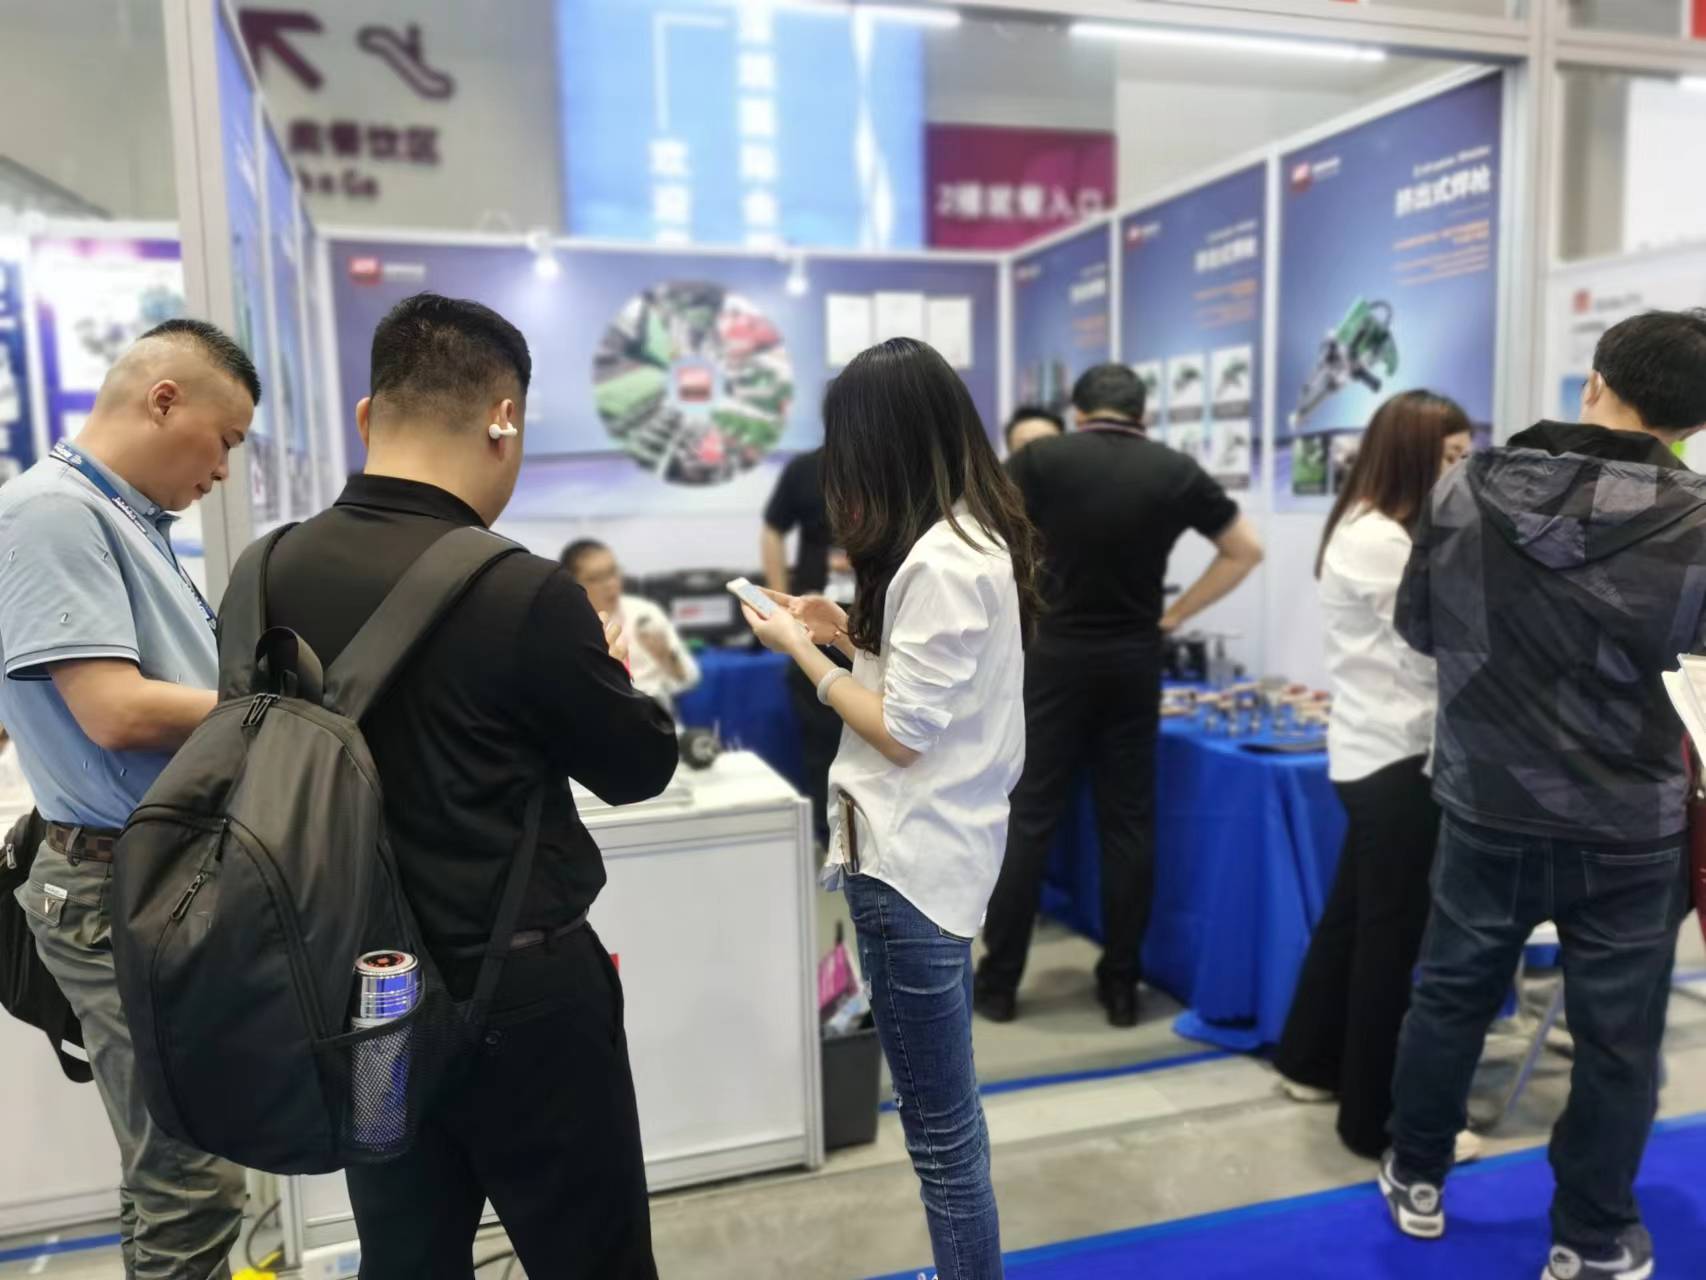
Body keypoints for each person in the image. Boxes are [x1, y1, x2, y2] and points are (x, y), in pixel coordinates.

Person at [259, 294, 678, 1279]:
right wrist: (611, 676)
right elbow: (637, 767)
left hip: (364, 998)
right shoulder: (525, 591)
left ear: (369, 415)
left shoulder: (264, 571)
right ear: (504, 417)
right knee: (593, 1257)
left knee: (405, 1254)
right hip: (525, 997)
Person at [1380, 309, 1706, 1280]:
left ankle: (1417, 1169)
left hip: (1486, 794)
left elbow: (1418, 627)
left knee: (1450, 994)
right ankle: (1591, 1235)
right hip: (1630, 819)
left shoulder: (1464, 485)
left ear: (1594, 381)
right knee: (1617, 1036)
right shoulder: (1698, 521)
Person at [744, 337, 1037, 1279]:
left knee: (940, 1134)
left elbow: (903, 732)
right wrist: (843, 629)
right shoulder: (962, 539)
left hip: (910, 863)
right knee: (948, 1119)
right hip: (935, 854)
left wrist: (803, 654)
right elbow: (924, 689)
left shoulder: (943, 559)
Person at [0, 319, 256, 1277]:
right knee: (189, 1176)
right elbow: (112, 711)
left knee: (177, 1166)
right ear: (163, 400)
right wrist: (274, 711)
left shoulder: (120, 520)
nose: (222, 470)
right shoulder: (53, 513)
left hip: (148, 878)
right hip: (117, 888)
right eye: (223, 441)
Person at [976, 363, 1264, 1027]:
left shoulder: (1040, 459)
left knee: (1030, 819)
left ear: (1079, 412)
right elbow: (1244, 550)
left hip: (1052, 658)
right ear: (1142, 414)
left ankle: (999, 983)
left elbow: (977, 535)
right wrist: (1175, 614)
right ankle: (1122, 985)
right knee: (1127, 824)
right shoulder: (1173, 469)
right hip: (1134, 657)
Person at [1272, 391, 1475, 1163]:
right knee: (1391, 939)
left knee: (1354, 920)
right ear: (1413, 454)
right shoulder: (1382, 541)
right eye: (1450, 458)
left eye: (1466, 457)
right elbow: (1436, 651)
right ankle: (1374, 1118)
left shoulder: (1375, 528)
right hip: (1396, 757)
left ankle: (1310, 1061)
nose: (1461, 472)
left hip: (1382, 750)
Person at [762, 447, 842, 846]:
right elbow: (772, 527)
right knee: (822, 738)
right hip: (814, 618)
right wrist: (780, 599)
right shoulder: (806, 469)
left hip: (876, 617)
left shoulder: (893, 461)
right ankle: (830, 836)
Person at [562, 538, 701, 713]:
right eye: (596, 579)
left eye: (613, 572)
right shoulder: (566, 625)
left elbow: (689, 679)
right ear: (573, 584)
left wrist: (666, 656)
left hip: (653, 711)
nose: (610, 584)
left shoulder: (645, 613)